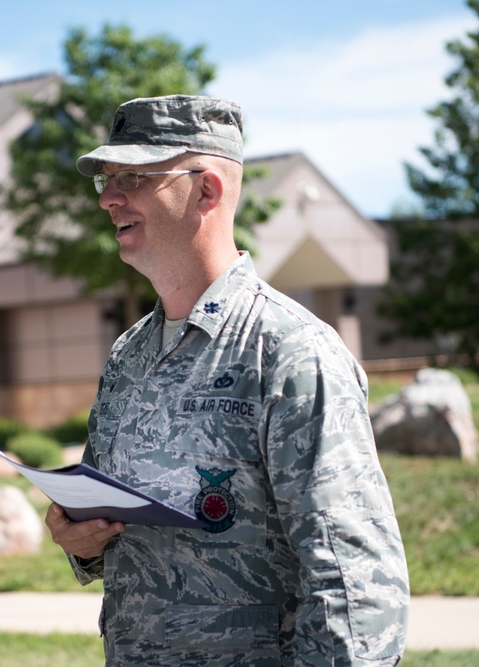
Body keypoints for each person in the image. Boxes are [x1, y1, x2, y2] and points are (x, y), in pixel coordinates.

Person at [45, 94, 410, 666]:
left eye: (134, 178)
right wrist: (81, 541)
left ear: (207, 191)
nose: (109, 198)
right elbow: (108, 524)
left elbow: (356, 585)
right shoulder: (127, 356)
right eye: (107, 181)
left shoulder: (290, 353)